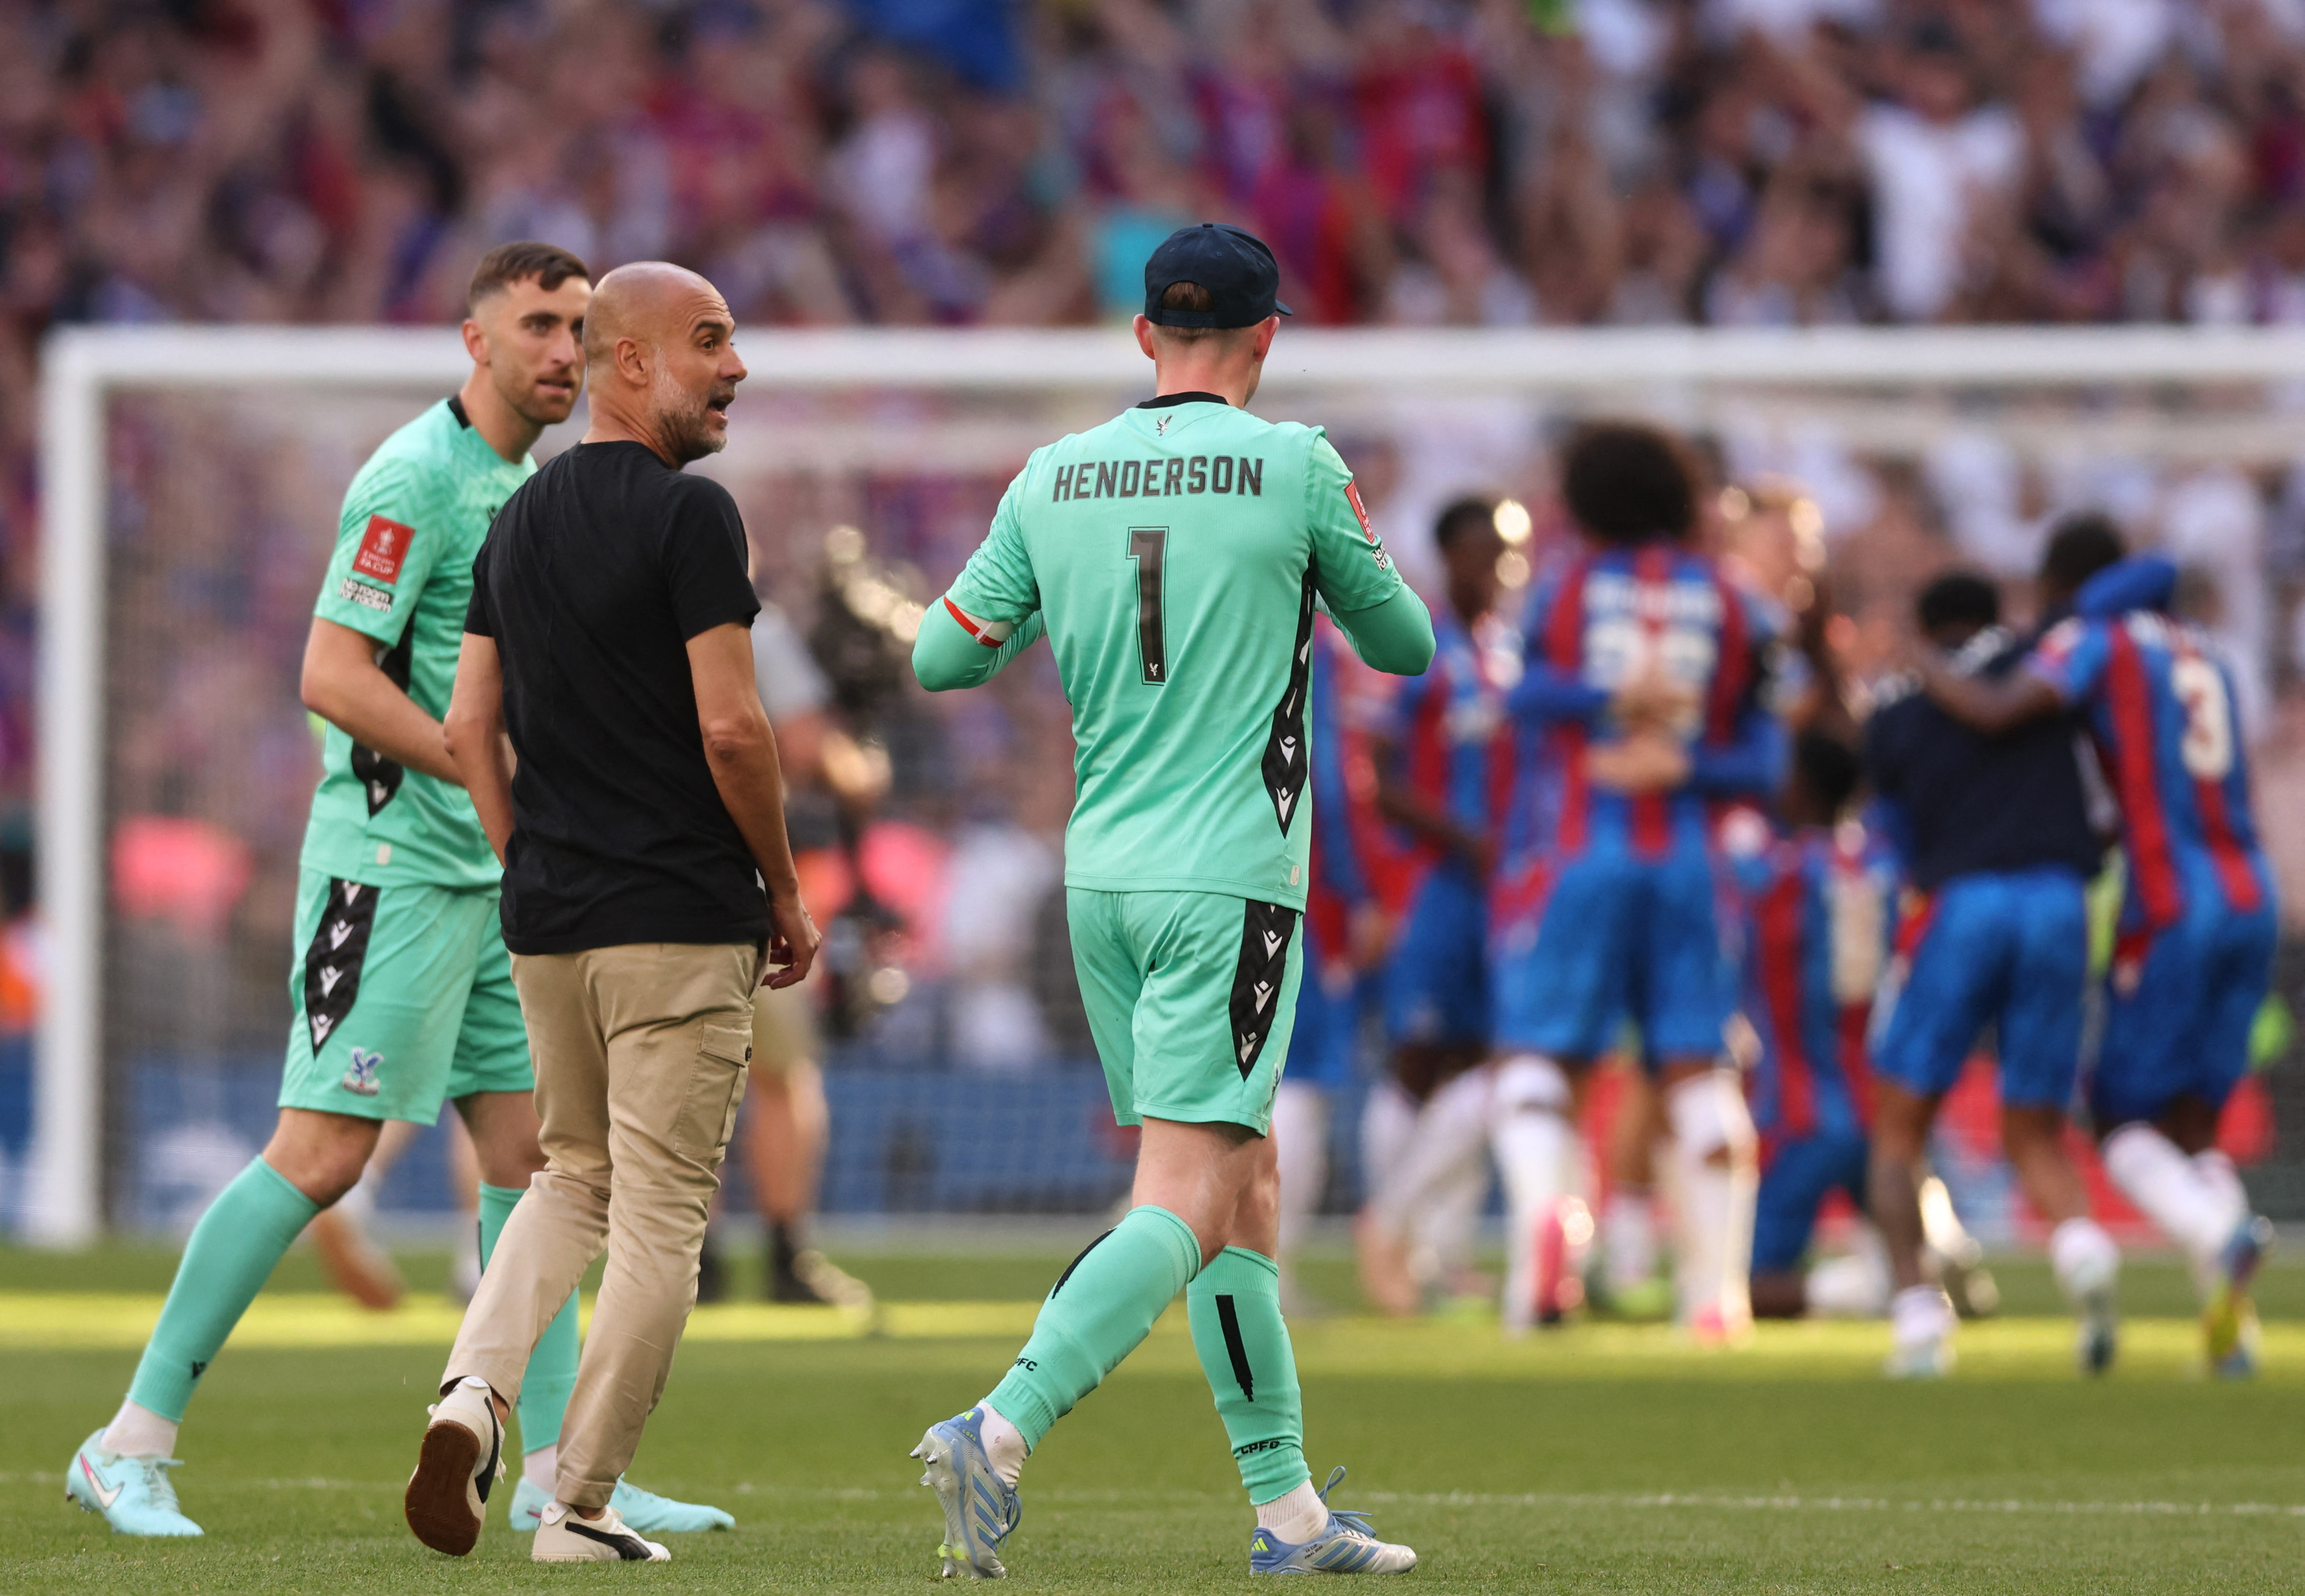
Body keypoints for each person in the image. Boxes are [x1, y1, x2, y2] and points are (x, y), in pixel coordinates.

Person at [64, 245, 718, 1542]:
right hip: (391, 869)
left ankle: (554, 1467)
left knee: (536, 1162)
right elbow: (330, 670)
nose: (560, 348)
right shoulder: (416, 476)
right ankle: (128, 1437)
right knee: (321, 1153)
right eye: (536, 322)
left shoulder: (522, 484)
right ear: (473, 340)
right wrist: (474, 756)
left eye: (579, 325)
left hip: (496, 879)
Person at [907, 222, 1434, 1579]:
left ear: (1142, 336)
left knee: (1243, 1187)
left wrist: (1038, 615)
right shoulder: (1297, 465)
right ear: (1266, 338)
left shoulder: (1051, 476)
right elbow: (1406, 645)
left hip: (1100, 880)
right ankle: (1000, 1422)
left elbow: (940, 659)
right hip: (1228, 878)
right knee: (1194, 1189)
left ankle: (1288, 1511)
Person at [403, 261, 819, 1565]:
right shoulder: (693, 518)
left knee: (565, 1175)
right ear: (628, 363)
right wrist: (786, 885)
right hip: (677, 921)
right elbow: (732, 726)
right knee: (656, 1216)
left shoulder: (512, 523)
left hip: (551, 921)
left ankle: (471, 1392)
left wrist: (524, 851)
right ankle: (576, 1501)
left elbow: (469, 721)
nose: (735, 367)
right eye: (710, 342)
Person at [1915, 528, 2279, 1376]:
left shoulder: (2095, 637)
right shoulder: (2205, 648)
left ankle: (2216, 1233)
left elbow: (1998, 708)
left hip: (2169, 904)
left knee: (2121, 1117)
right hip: (2249, 893)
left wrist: (1922, 664)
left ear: (2058, 583)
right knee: (2195, 1126)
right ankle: (2233, 1337)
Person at [1487, 422, 1785, 1341]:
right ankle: (1714, 1295)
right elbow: (1767, 762)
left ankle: (1546, 1228)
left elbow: (1521, 696)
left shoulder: (1566, 589)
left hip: (1579, 854)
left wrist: (1600, 704)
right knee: (1697, 1065)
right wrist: (1685, 762)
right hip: (1690, 863)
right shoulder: (1735, 603)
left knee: (1541, 1058)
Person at [1864, 558, 2121, 1378]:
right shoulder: (2052, 684)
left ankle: (1915, 1319)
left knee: (1898, 1126)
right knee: (2033, 1124)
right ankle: (2082, 1253)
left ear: (1931, 625)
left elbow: (1885, 834)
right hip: (2058, 901)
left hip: (1961, 904)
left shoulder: (1901, 710)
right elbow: (2103, 810)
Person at [1355, 498, 1512, 1317]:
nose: (1504, 568)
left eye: (1513, 553)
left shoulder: (1507, 654)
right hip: (1434, 888)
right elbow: (1380, 784)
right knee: (1419, 1063)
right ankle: (1395, 1242)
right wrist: (1467, 841)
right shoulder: (1409, 648)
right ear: (1449, 553)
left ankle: (1431, 1255)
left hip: (1498, 891)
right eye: (1490, 551)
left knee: (1477, 1061)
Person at [1735, 732, 1893, 1320]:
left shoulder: (1777, 872)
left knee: (1732, 1289)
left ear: (1797, 784)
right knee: (1902, 1224)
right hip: (1878, 1104)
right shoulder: (1884, 861)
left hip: (1797, 1112)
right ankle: (1927, 1267)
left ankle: (1858, 1292)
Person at [1270, 615, 1381, 1313]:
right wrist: (1358, 890)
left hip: (1193, 877)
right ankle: (1262, 1273)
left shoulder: (1210, 618)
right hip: (1293, 891)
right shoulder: (1313, 640)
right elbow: (1329, 779)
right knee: (1299, 1084)